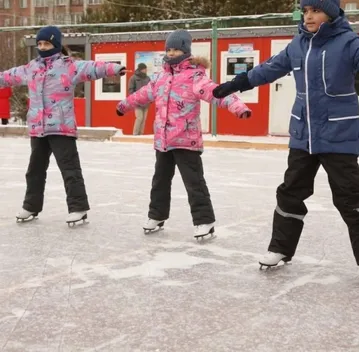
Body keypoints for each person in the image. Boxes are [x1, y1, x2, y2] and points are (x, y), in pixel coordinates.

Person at [212, 0, 359, 279]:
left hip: (338, 136)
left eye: (315, 10)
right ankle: (281, 248)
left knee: (350, 196)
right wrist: (236, 84)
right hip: (303, 135)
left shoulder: (347, 42)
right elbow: (268, 69)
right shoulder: (298, 45)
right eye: (305, 10)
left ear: (331, 12)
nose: (308, 16)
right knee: (290, 192)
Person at [116, 29, 251, 239]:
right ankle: (156, 216)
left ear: (185, 51)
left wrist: (238, 107)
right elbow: (144, 94)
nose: (171, 53)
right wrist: (124, 105)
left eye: (176, 49)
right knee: (160, 180)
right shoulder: (160, 76)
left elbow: (216, 93)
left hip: (186, 140)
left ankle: (204, 221)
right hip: (163, 140)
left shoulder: (195, 76)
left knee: (194, 182)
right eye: (168, 49)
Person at [0, 25, 126, 225]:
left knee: (69, 169)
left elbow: (92, 67)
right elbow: (9, 76)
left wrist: (115, 68)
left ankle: (78, 208)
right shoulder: (31, 67)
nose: (42, 47)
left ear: (56, 45)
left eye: (47, 43)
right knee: (34, 170)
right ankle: (31, 206)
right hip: (38, 129)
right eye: (40, 43)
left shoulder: (69, 66)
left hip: (61, 127)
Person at [128, 63, 151, 135]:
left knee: (144, 119)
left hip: (146, 102)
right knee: (139, 118)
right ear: (141, 69)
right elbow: (131, 90)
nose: (146, 70)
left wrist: (150, 99)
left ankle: (141, 134)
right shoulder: (133, 78)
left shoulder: (148, 78)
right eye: (145, 69)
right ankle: (135, 134)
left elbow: (150, 89)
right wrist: (134, 98)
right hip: (137, 102)